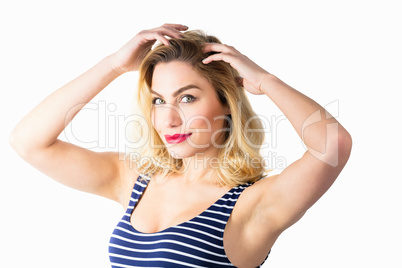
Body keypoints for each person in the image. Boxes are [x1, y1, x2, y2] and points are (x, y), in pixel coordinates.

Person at [9, 23, 352, 267]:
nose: (168, 119)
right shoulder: (134, 180)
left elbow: (333, 144)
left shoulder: (254, 204)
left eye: (187, 98)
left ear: (225, 102)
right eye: (158, 101)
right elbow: (29, 143)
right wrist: (114, 65)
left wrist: (265, 81)